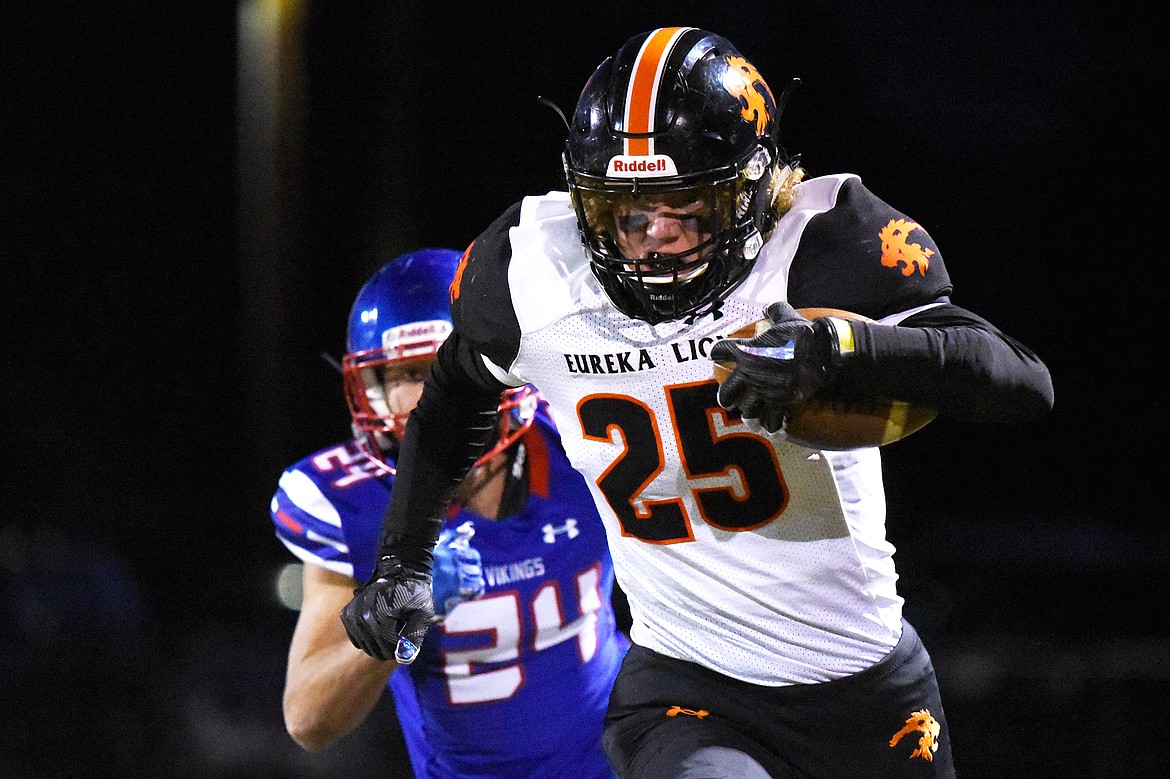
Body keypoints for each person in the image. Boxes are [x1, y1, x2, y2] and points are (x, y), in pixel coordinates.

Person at [340, 28, 1054, 779]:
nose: (657, 240)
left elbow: (1019, 378)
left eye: (689, 206)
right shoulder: (534, 274)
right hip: (687, 687)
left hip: (865, 683)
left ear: (753, 189)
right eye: (629, 213)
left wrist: (841, 348)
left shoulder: (819, 244)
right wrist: (401, 559)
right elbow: (455, 392)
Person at [272, 248, 627, 778]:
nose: (421, 400)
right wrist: (398, 615)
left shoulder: (585, 441)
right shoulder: (354, 502)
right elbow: (308, 719)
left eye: (439, 369)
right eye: (401, 375)